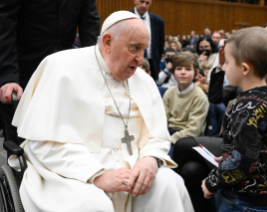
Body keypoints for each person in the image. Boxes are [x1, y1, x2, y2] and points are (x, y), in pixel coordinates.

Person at [8, 11, 194, 212]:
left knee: (169, 184)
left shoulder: (145, 82)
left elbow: (158, 136)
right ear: (107, 42)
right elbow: (43, 143)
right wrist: (96, 174)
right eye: (135, 48)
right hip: (68, 173)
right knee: (93, 205)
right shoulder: (61, 68)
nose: (141, 59)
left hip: (132, 172)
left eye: (144, 50)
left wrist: (149, 160)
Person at [201, 27, 267, 211]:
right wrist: (229, 157)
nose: (223, 67)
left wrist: (211, 183)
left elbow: (242, 162)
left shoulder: (246, 107)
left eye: (227, 63)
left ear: (244, 68)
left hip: (241, 199)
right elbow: (264, 148)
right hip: (265, 196)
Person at [0, 0, 100, 143]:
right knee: (23, 149)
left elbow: (90, 23)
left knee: (65, 146)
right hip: (22, 76)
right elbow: (4, 25)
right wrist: (8, 77)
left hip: (65, 78)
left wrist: (94, 71)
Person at [163, 52, 209, 157]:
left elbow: (193, 130)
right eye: (179, 69)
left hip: (187, 139)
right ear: (173, 74)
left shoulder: (199, 96)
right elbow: (162, 120)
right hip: (168, 134)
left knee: (167, 160)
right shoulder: (169, 92)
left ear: (196, 74)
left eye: (188, 69)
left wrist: (170, 140)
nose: (183, 72)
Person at [130, 0, 165, 81]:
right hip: (131, 61)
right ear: (135, 1)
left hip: (152, 63)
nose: (144, 5)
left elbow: (160, 46)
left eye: (147, 3)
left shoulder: (158, 22)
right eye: (141, 2)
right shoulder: (124, 18)